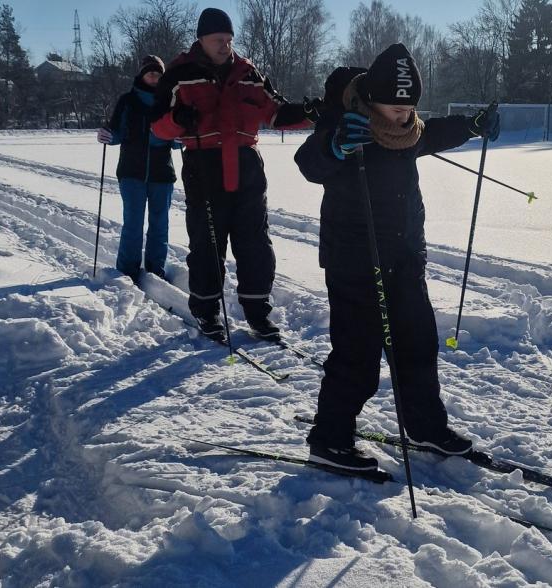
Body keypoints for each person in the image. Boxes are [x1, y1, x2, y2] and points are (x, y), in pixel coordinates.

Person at [294, 44, 501, 471]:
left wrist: (472, 125)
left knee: (418, 347)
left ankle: (425, 426)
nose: (404, 117)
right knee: (358, 357)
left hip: (405, 257)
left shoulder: (408, 130)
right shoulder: (346, 122)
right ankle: (329, 439)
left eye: (410, 109)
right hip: (355, 261)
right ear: (371, 100)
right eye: (395, 108)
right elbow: (309, 162)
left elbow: (434, 132)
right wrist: (335, 147)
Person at [151, 8, 318, 341]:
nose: (225, 46)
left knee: (255, 242)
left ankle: (258, 314)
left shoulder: (248, 72)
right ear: (202, 39)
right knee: (208, 243)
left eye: (229, 40)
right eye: (218, 40)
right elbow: (159, 126)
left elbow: (275, 111)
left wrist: (311, 112)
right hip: (204, 165)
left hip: (246, 165)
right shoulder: (180, 73)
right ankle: (208, 312)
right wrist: (179, 118)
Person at [97, 55, 180, 282]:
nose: (154, 76)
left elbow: (176, 140)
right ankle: (127, 271)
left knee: (159, 225)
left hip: (162, 173)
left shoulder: (171, 102)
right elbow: (117, 132)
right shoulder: (127, 101)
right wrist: (107, 135)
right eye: (149, 72)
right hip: (131, 172)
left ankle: (155, 270)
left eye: (158, 73)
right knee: (133, 223)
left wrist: (182, 137)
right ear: (142, 74)